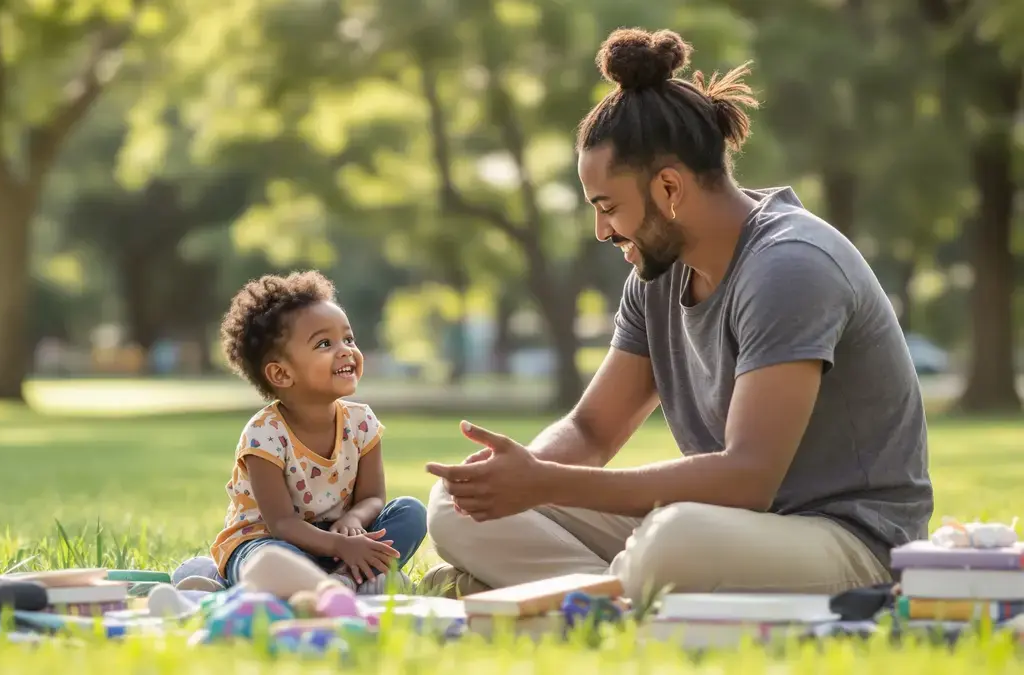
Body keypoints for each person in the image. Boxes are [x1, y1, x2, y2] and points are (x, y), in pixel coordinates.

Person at [421, 27, 933, 604]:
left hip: (849, 540)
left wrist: (547, 484)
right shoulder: (659, 273)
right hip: (728, 527)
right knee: (458, 508)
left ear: (669, 187)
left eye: (608, 207)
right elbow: (591, 431)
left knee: (673, 539)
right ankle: (605, 598)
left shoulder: (790, 266)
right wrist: (516, 476)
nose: (602, 231)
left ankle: (568, 593)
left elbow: (748, 477)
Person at [173, 271, 427, 595]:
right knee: (270, 559)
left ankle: (341, 582)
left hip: (340, 544)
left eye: (348, 339)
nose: (346, 350)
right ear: (281, 373)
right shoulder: (264, 435)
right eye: (324, 344)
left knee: (411, 513)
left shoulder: (362, 423)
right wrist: (339, 545)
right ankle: (232, 584)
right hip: (270, 542)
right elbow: (282, 524)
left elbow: (373, 498)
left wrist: (354, 521)